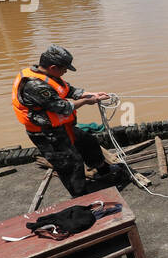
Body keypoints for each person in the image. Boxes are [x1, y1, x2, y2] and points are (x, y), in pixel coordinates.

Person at [12, 45, 120, 197]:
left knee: (88, 142)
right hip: (46, 133)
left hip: (61, 126)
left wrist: (89, 94)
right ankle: (81, 197)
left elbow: (66, 89)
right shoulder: (34, 85)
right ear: (53, 67)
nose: (66, 71)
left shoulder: (47, 74)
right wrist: (87, 101)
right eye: (64, 68)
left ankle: (104, 171)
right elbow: (62, 107)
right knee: (70, 164)